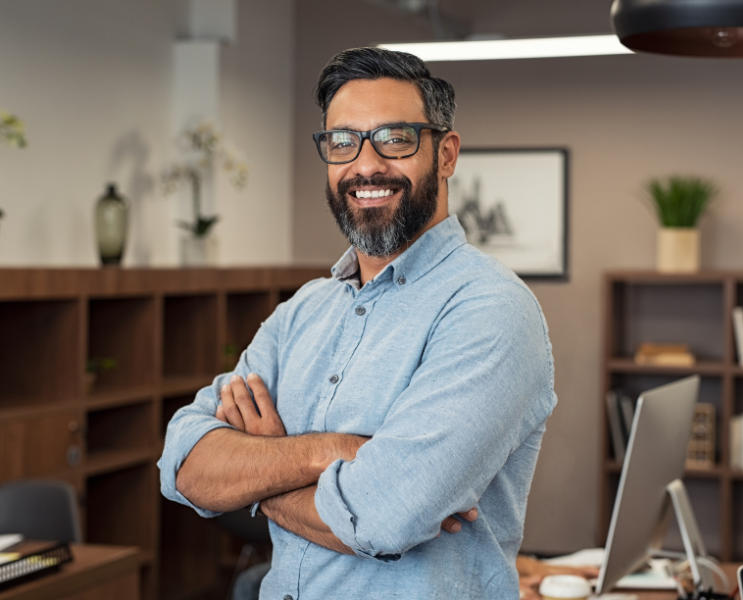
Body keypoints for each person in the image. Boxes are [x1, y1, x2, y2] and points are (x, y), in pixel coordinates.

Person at [159, 47, 557, 600]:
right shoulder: (302, 312)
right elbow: (183, 465)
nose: (365, 165)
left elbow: (382, 519)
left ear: (446, 154)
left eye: (395, 138)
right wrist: (335, 450)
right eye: (343, 141)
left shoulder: (490, 310)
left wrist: (257, 469)